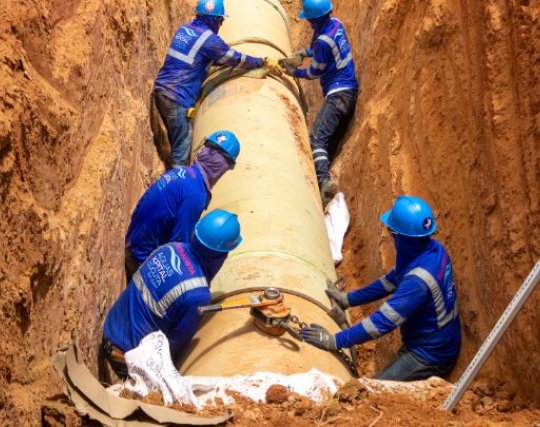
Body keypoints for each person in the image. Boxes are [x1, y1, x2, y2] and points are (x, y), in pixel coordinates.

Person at [299, 196, 461, 381]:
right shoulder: (431, 250)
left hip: (432, 354)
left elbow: (381, 323)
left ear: (400, 236)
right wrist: (348, 299)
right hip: (431, 338)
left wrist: (335, 341)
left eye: (391, 231)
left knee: (374, 392)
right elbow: (391, 281)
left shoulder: (418, 282)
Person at [102, 209, 243, 379]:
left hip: (110, 329)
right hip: (127, 356)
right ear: (222, 255)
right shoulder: (198, 294)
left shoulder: (169, 248)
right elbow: (174, 346)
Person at [153, 0, 282, 167]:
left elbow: (200, 58)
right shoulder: (209, 40)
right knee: (183, 144)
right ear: (213, 20)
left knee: (177, 139)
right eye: (221, 20)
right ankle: (178, 183)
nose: (221, 24)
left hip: (163, 89)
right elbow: (234, 58)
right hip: (177, 96)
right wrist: (262, 62)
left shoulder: (186, 29)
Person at [124, 130, 240, 280]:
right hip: (141, 259)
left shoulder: (183, 172)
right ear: (224, 167)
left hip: (135, 241)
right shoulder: (196, 195)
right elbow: (178, 247)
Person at [285, 0, 358, 205]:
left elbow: (314, 71)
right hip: (349, 91)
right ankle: (322, 184)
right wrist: (303, 53)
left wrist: (294, 72)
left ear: (313, 20)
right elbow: (318, 47)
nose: (307, 23)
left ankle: (324, 185)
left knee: (317, 138)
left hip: (337, 95)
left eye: (308, 20)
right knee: (329, 142)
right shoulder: (336, 24)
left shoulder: (323, 42)